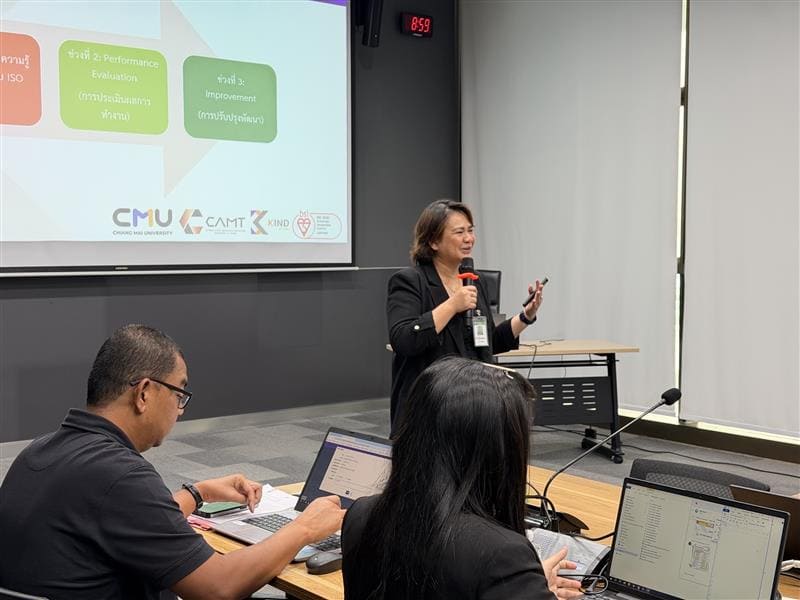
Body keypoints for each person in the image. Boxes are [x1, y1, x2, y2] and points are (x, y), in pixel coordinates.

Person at [0, 324, 344, 600]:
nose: (180, 410)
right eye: (179, 394)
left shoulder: (42, 451)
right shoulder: (120, 475)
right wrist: (305, 528)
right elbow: (217, 588)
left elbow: (121, 519)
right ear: (144, 393)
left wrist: (198, 493)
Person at [341, 356, 583, 600]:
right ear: (500, 450)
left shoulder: (361, 514)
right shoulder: (501, 554)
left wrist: (525, 585)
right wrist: (525, 583)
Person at [387, 199, 544, 429]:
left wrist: (525, 316)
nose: (469, 238)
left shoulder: (474, 281)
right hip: (429, 407)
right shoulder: (409, 281)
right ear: (433, 241)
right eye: (459, 232)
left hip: (474, 405)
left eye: (470, 230)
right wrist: (452, 305)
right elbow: (404, 340)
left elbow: (488, 341)